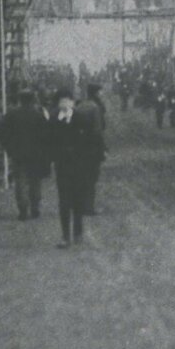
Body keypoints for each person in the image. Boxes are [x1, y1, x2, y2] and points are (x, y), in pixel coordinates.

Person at [49, 91, 101, 246]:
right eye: (61, 102)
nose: (64, 105)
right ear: (58, 104)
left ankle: (78, 232)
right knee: (64, 201)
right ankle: (65, 236)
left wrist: (87, 157)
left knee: (78, 199)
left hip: (79, 165)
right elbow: (47, 140)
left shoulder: (81, 119)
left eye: (67, 101)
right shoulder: (53, 120)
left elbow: (91, 140)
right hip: (62, 165)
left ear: (72, 103)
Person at [2, 88, 50, 221]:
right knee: (35, 181)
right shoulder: (38, 115)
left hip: (18, 154)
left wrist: (9, 149)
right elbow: (46, 135)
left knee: (20, 182)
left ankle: (23, 209)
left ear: (20, 100)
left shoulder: (11, 115)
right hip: (36, 154)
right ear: (33, 99)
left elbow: (3, 133)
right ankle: (35, 207)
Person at [79, 83, 109, 214]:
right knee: (92, 177)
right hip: (92, 146)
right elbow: (97, 130)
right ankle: (88, 207)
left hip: (79, 145)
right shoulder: (95, 108)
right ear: (96, 93)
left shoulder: (79, 106)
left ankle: (81, 204)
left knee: (82, 175)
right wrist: (103, 147)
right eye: (100, 92)